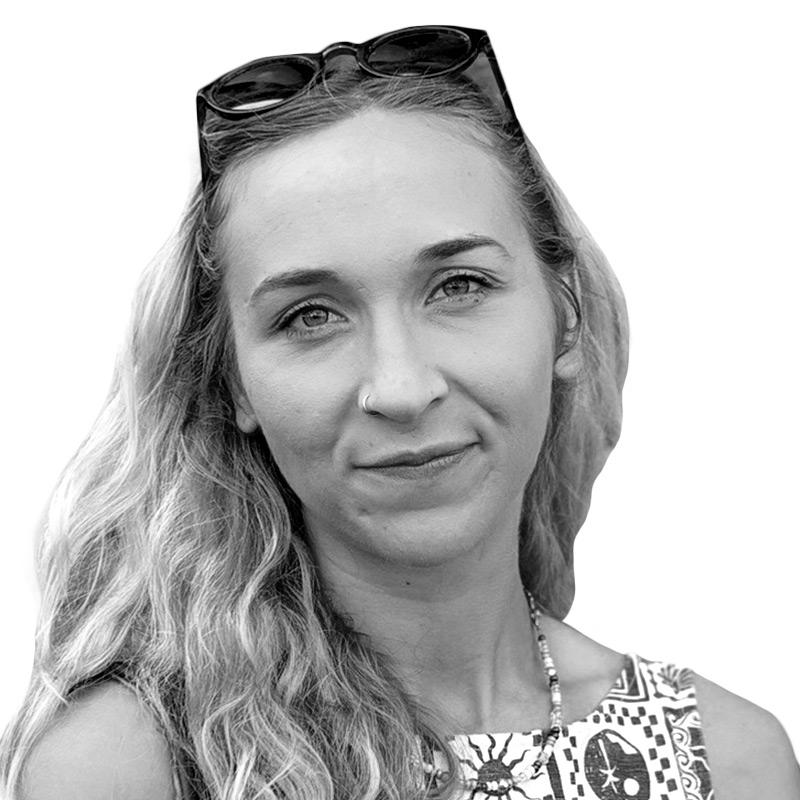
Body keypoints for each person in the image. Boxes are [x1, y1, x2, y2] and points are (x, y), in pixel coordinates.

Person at [1, 24, 797, 800]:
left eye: (459, 287)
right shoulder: (134, 763)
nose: (402, 388)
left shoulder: (728, 762)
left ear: (565, 315)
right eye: (311, 316)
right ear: (233, 382)